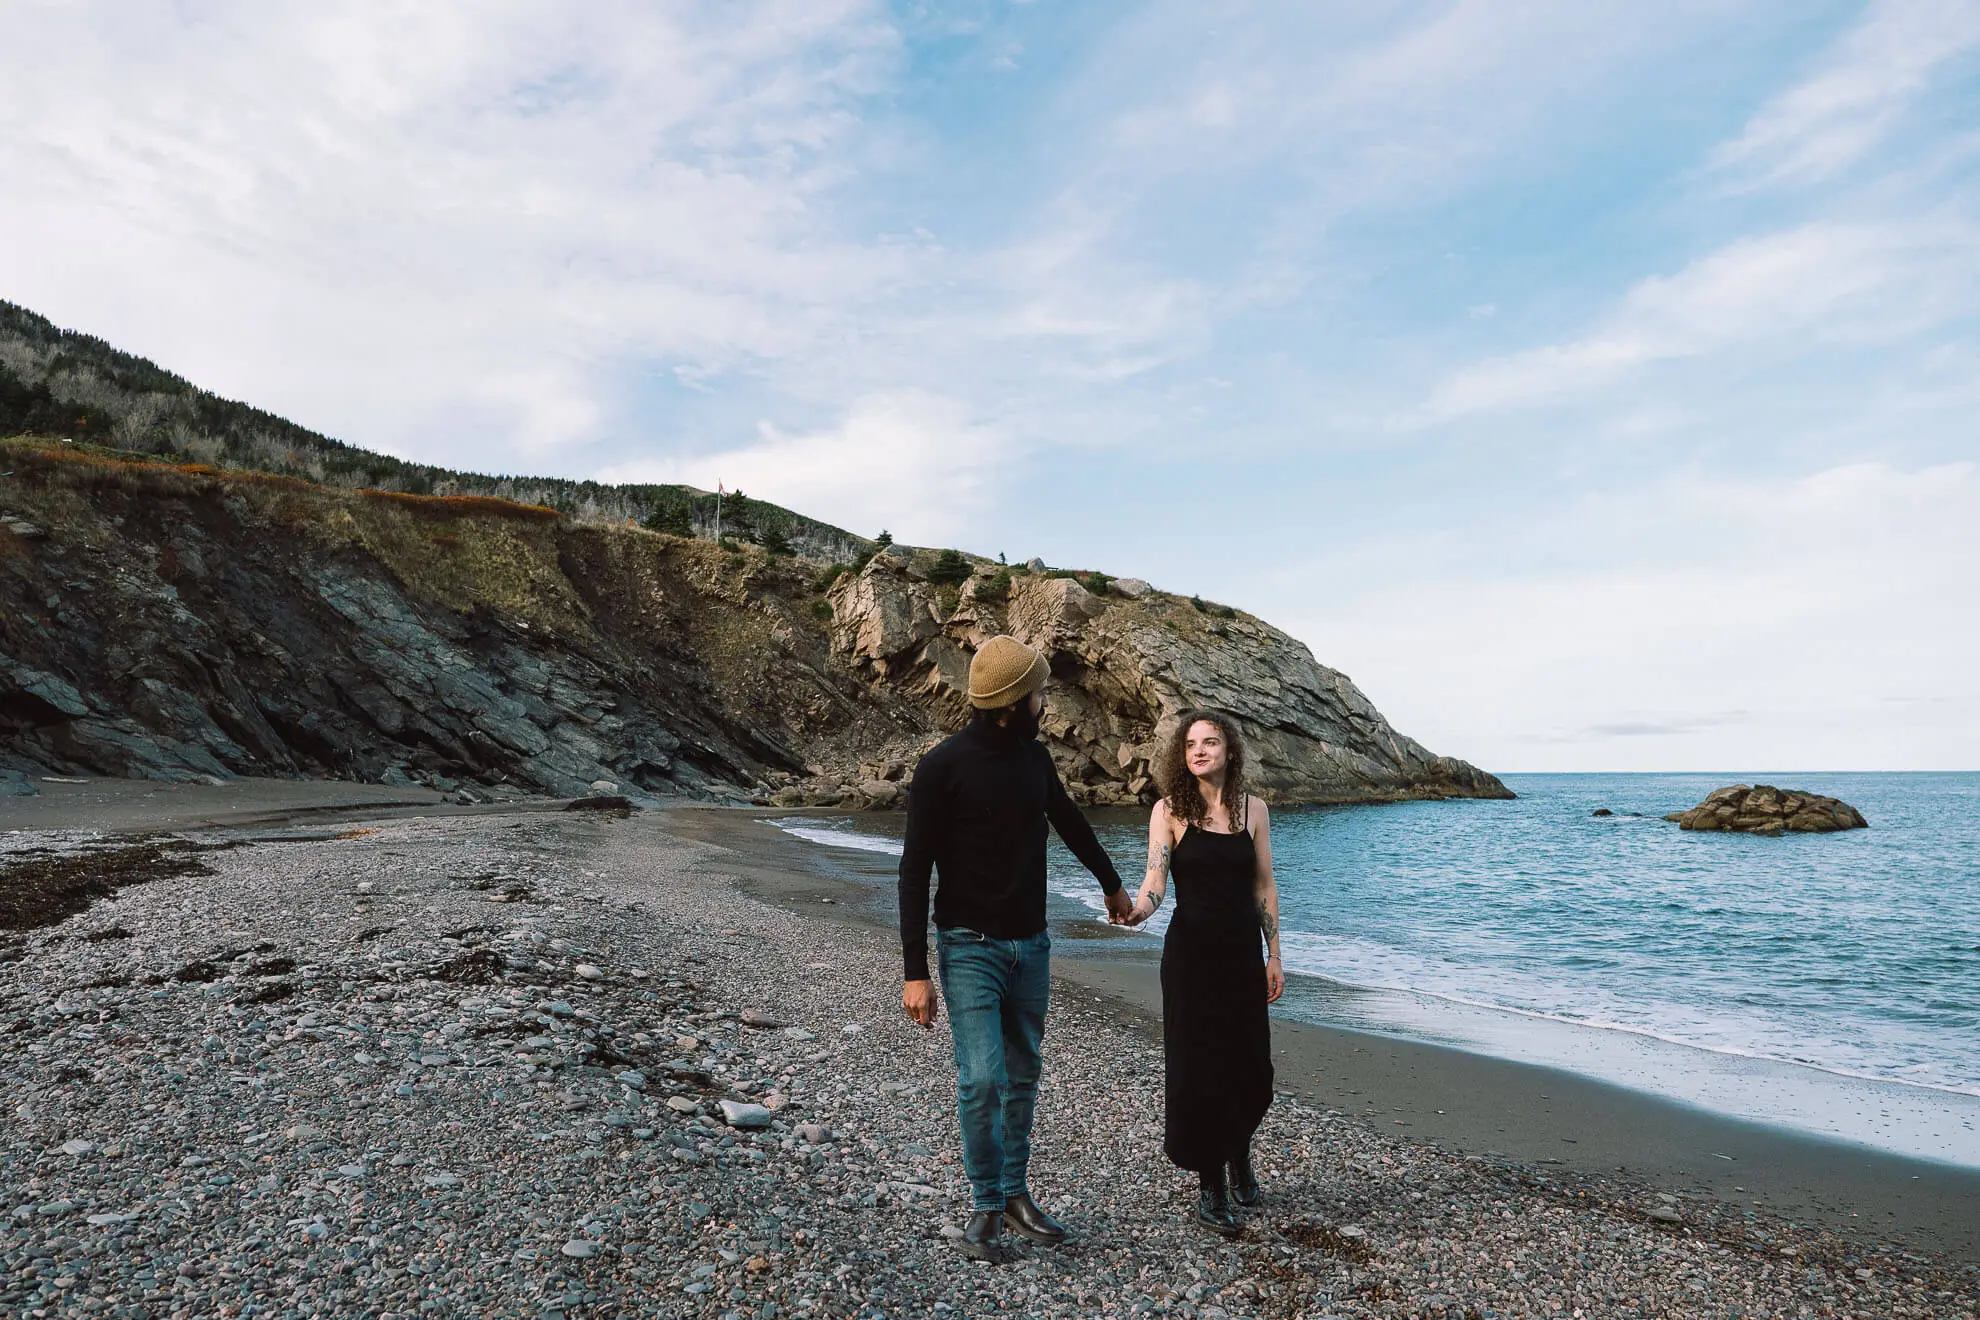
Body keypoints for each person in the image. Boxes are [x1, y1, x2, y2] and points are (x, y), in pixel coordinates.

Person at [898, 635, 1136, 1260]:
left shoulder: (1035, 761)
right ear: (1012, 701)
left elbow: (1070, 820)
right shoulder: (941, 767)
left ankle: (1014, 1194)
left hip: (1031, 945)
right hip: (968, 946)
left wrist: (1111, 883)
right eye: (1039, 691)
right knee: (981, 1077)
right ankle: (983, 1205)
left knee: (1023, 1073)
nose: (1045, 699)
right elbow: (913, 867)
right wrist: (913, 970)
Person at [1127, 709, 1284, 1237]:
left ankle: (1239, 1153)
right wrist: (1136, 911)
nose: (1199, 750)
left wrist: (1274, 954)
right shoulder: (1169, 810)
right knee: (1201, 1071)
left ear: (1229, 751)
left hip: (1241, 955)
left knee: (1250, 1067)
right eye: (1191, 743)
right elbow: (1155, 881)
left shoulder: (1253, 810)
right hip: (1191, 959)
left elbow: (1264, 886)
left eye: (1210, 742)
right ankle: (1211, 1183)